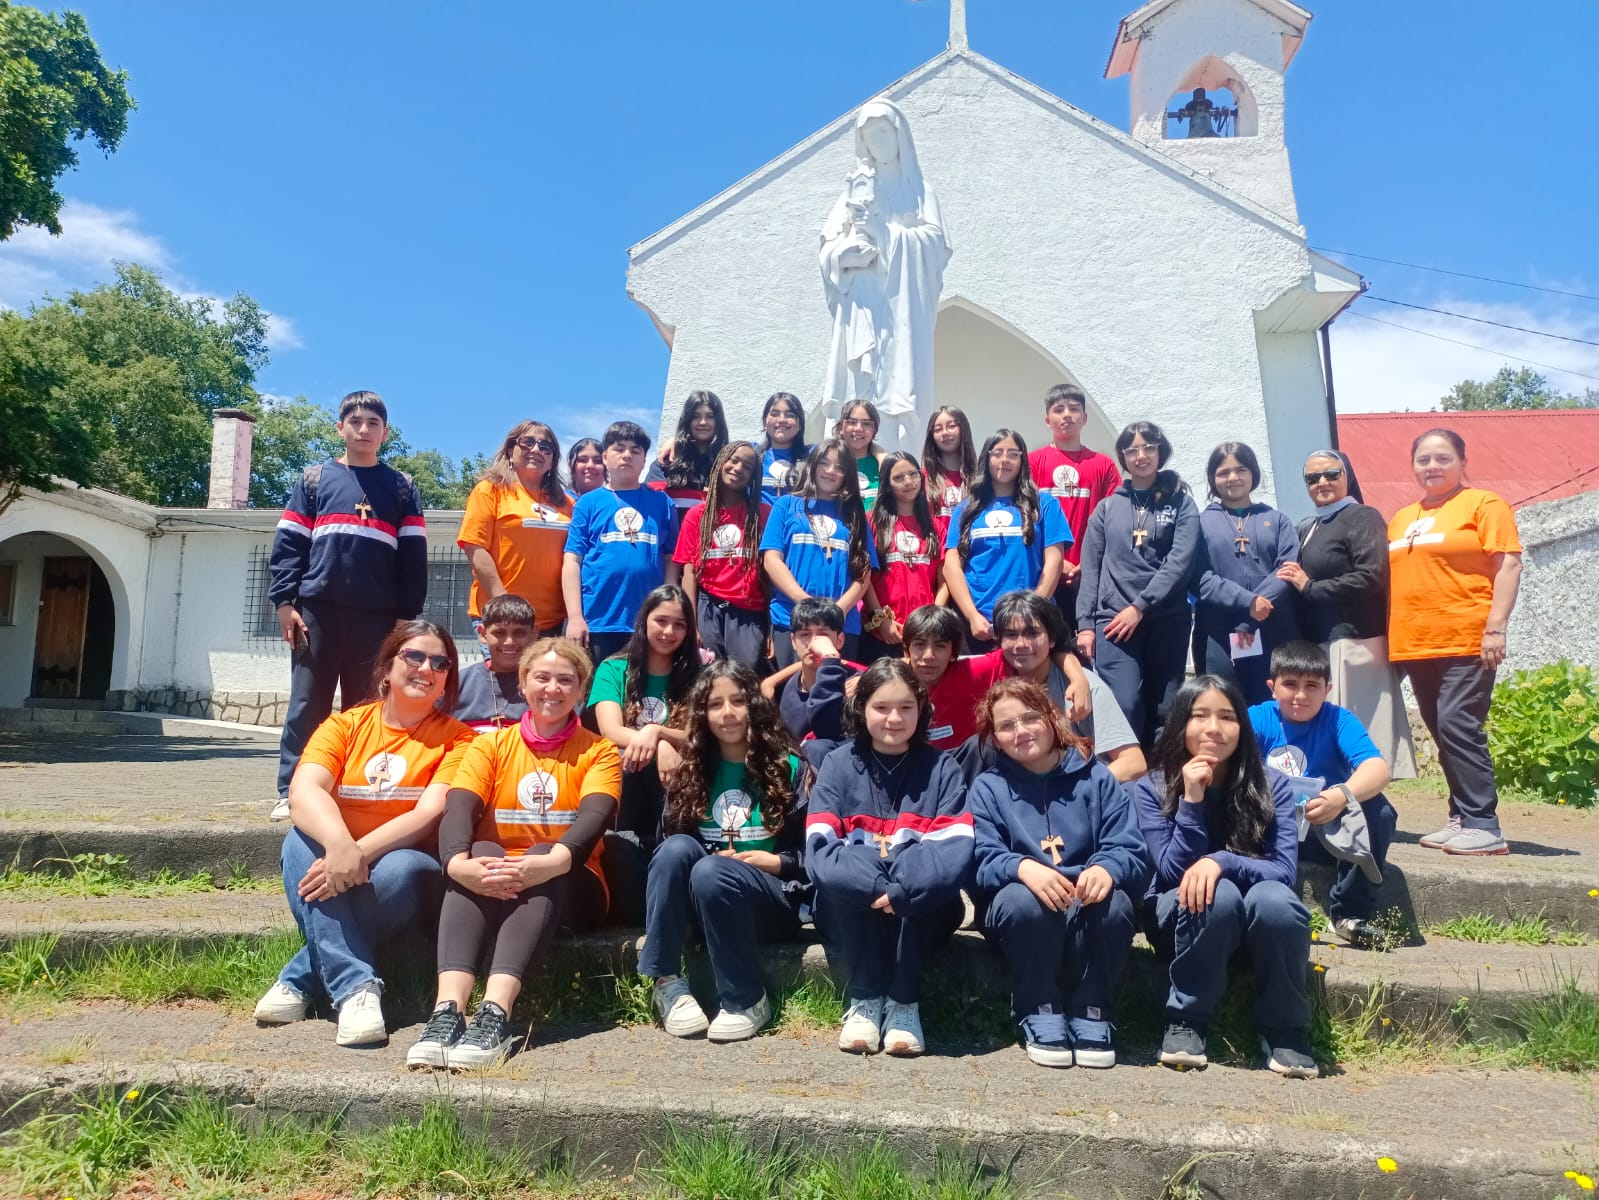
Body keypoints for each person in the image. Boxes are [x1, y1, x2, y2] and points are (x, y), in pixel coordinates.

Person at [255, 620, 475, 1047]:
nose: (426, 667)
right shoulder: (345, 725)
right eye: (414, 656)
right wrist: (338, 846)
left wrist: (356, 852)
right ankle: (357, 988)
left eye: (440, 662)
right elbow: (304, 791)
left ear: (447, 678)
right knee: (298, 842)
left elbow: (430, 813)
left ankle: (301, 976)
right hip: (332, 849)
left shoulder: (459, 739)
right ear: (387, 668)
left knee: (406, 869)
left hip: (404, 862)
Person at [406, 638, 622, 1071]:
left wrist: (551, 861)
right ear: (523, 684)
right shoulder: (490, 746)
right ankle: (447, 1012)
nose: (552, 688)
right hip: (496, 876)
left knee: (544, 854)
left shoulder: (598, 751)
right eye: (541, 677)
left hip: (572, 883)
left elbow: (595, 817)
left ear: (581, 690)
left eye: (566, 680)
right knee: (480, 851)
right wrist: (457, 863)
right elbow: (459, 807)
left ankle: (495, 1015)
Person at [1132, 675, 1316, 1079]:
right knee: (1220, 895)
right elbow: (1171, 871)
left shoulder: (1275, 787)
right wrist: (1192, 800)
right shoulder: (1152, 787)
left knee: (1274, 900)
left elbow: (1282, 871)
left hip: (1257, 923)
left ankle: (1285, 1028)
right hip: (1179, 918)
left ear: (1242, 728)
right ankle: (1187, 1019)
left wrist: (1222, 861)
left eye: (1227, 717)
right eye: (1200, 715)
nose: (1213, 728)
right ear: (1181, 723)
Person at [969, 679, 1150, 1069]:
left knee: (1115, 903)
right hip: (1021, 910)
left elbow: (1132, 849)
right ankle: (1039, 1009)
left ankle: (1092, 1010)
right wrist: (1020, 866)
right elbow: (978, 859)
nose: (1020, 731)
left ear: (1052, 719)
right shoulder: (988, 788)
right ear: (995, 739)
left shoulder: (1098, 778)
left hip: (1084, 903)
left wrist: (1108, 868)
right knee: (1021, 901)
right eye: (1006, 726)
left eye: (1030, 718)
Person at [268, 390, 427, 821]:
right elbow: (289, 545)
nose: (363, 429)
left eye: (373, 423)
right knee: (308, 703)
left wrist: (405, 618)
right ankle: (292, 790)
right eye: (355, 421)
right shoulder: (314, 479)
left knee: (365, 707)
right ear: (340, 427)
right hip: (316, 610)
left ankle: (352, 786)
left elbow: (413, 557)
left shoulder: (401, 487)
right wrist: (285, 601)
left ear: (385, 432)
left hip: (377, 617)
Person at [806, 659, 973, 1056]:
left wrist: (901, 888)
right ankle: (865, 1000)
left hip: (919, 905)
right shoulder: (837, 763)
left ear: (922, 710)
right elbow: (821, 845)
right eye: (881, 707)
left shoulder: (942, 768)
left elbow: (954, 848)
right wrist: (876, 886)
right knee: (844, 892)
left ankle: (903, 1003)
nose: (894, 718)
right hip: (852, 900)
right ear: (861, 709)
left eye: (906, 708)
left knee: (922, 895)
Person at [638, 662, 808, 1042]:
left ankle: (746, 999)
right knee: (675, 850)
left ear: (755, 706)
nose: (727, 713)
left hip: (772, 901)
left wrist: (777, 862)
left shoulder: (791, 767)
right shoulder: (692, 771)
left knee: (710, 871)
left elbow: (814, 858)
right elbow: (674, 855)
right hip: (705, 898)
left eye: (737, 701)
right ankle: (667, 983)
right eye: (716, 704)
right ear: (703, 712)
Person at [1386, 428, 1522, 856]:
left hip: (1467, 638)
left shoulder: (1484, 504)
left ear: (1463, 462)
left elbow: (1509, 565)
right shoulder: (1402, 517)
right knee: (1444, 730)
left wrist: (1495, 627)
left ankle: (1484, 823)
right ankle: (1462, 816)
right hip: (1415, 643)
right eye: (1423, 459)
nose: (1432, 467)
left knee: (1459, 725)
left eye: (1443, 458)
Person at [817, 97, 951, 453]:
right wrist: (844, 255)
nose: (877, 141)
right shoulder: (851, 193)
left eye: (883, 131)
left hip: (901, 311)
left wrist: (885, 234)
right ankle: (851, 461)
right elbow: (828, 246)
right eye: (869, 135)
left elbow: (935, 246)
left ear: (899, 135)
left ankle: (896, 462)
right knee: (860, 384)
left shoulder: (921, 193)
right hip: (860, 303)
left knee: (900, 389)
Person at [1277, 449, 1417, 778]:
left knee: (1358, 733)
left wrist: (1310, 587)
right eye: (1313, 478)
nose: (1322, 482)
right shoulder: (1309, 525)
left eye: (1331, 474)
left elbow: (1372, 576)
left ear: (1347, 477)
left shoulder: (1362, 516)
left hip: (1354, 642)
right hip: (1322, 644)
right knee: (1330, 736)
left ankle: (1369, 809)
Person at [1249, 641, 1396, 948]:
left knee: (1380, 811)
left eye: (1311, 686)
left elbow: (1378, 769)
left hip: (1323, 831)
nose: (1300, 695)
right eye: (1290, 684)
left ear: (1327, 689)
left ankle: (1348, 914)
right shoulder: (1257, 718)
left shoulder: (1338, 720)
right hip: (1266, 830)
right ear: (1272, 687)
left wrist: (1340, 796)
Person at [1076, 421, 1200, 750]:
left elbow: (1180, 562)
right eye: (1132, 450)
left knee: (1165, 708)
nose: (1141, 455)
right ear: (1123, 457)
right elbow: (1091, 566)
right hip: (1114, 621)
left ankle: (1159, 782)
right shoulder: (1107, 507)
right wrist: (1085, 625)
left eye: (1148, 448)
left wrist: (1140, 608)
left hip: (1166, 618)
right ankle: (1125, 779)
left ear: (1161, 452)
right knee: (1124, 704)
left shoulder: (1181, 503)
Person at [587, 585, 702, 922]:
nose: (669, 632)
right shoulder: (614, 668)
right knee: (630, 760)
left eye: (679, 625)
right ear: (644, 621)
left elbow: (704, 733)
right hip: (627, 770)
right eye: (661, 621)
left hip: (677, 768)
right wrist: (656, 742)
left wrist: (660, 734)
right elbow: (609, 729)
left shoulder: (698, 674)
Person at [988, 592, 1145, 783]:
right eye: (1011, 635)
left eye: (1033, 633)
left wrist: (1079, 790)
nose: (1021, 644)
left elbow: (1133, 763)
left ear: (1051, 639)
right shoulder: (994, 675)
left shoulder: (1085, 688)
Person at [562, 420, 680, 664]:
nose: (627, 455)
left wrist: (667, 606)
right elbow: (572, 560)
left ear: (644, 461)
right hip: (597, 621)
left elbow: (671, 558)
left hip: (647, 622)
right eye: (619, 449)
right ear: (605, 457)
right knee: (595, 696)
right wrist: (575, 617)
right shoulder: (588, 503)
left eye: (635, 451)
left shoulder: (662, 503)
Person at [1192, 441, 1300, 704]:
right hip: (1217, 631)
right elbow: (1199, 577)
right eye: (1223, 472)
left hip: (1270, 626)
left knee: (1270, 702)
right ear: (1212, 478)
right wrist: (1247, 602)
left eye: (1240, 470)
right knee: (1222, 702)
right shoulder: (1199, 523)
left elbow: (1287, 569)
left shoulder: (1276, 520)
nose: (1232, 478)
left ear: (1253, 473)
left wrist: (1259, 604)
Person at [944, 429, 1070, 652]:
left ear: (1022, 460)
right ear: (986, 458)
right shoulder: (966, 509)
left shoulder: (1045, 504)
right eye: (997, 453)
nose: (1005, 460)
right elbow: (951, 567)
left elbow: (1054, 562)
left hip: (1031, 624)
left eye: (1013, 454)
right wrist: (972, 616)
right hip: (980, 624)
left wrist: (1032, 613)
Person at [759, 439, 875, 668]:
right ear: (812, 465)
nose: (831, 471)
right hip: (790, 619)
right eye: (824, 463)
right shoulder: (786, 505)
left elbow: (864, 571)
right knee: (790, 695)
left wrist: (836, 611)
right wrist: (804, 603)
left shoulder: (854, 513)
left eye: (839, 467)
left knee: (835, 696)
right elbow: (771, 560)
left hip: (841, 625)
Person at [457, 421, 571, 640]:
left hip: (552, 623)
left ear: (552, 461)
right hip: (500, 618)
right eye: (527, 442)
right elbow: (475, 547)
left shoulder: (567, 504)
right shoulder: (489, 490)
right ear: (510, 451)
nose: (536, 450)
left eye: (545, 447)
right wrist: (505, 604)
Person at [1029, 384, 1120, 627]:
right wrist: (1056, 561)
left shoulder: (1103, 465)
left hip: (1089, 575)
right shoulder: (1031, 463)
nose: (1067, 415)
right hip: (1042, 574)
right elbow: (1025, 519)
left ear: (1085, 418)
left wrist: (1087, 562)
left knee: (1085, 649)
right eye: (1059, 409)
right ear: (1048, 420)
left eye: (1074, 408)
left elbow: (1114, 522)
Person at [674, 441, 769, 665]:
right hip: (708, 609)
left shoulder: (763, 515)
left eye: (747, 467)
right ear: (720, 463)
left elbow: (770, 576)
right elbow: (689, 574)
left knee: (744, 680)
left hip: (750, 612)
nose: (738, 468)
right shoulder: (697, 515)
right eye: (733, 460)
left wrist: (770, 628)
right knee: (707, 678)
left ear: (753, 476)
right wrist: (692, 623)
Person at [861, 450, 948, 662]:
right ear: (887, 485)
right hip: (882, 632)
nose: (908, 482)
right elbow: (864, 575)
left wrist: (931, 619)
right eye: (898, 477)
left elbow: (944, 580)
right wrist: (880, 619)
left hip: (924, 633)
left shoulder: (935, 526)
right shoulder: (871, 522)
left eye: (913, 474)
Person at [766, 598, 863, 743]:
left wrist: (830, 658)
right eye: (805, 635)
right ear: (793, 641)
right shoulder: (784, 688)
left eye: (823, 635)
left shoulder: (857, 684)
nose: (813, 644)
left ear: (840, 640)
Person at [453, 594, 536, 733]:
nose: (509, 642)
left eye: (519, 633)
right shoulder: (457, 684)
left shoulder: (544, 684)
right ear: (483, 634)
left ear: (534, 634)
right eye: (499, 633)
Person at [647, 389, 729, 516]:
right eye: (696, 416)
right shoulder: (666, 462)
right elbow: (652, 509)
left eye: (710, 416)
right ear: (687, 420)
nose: (703, 422)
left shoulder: (727, 465)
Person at [921, 404, 977, 521]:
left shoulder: (979, 479)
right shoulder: (922, 478)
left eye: (951, 426)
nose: (945, 433)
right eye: (938, 429)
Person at [758, 391, 808, 505]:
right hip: (759, 522)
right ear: (765, 421)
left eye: (790, 415)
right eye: (774, 414)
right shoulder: (751, 455)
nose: (781, 420)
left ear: (800, 424)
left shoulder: (813, 456)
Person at [837, 398, 889, 507]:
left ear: (874, 429)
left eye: (866, 423)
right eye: (852, 422)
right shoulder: (828, 463)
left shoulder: (883, 464)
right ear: (841, 427)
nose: (859, 428)